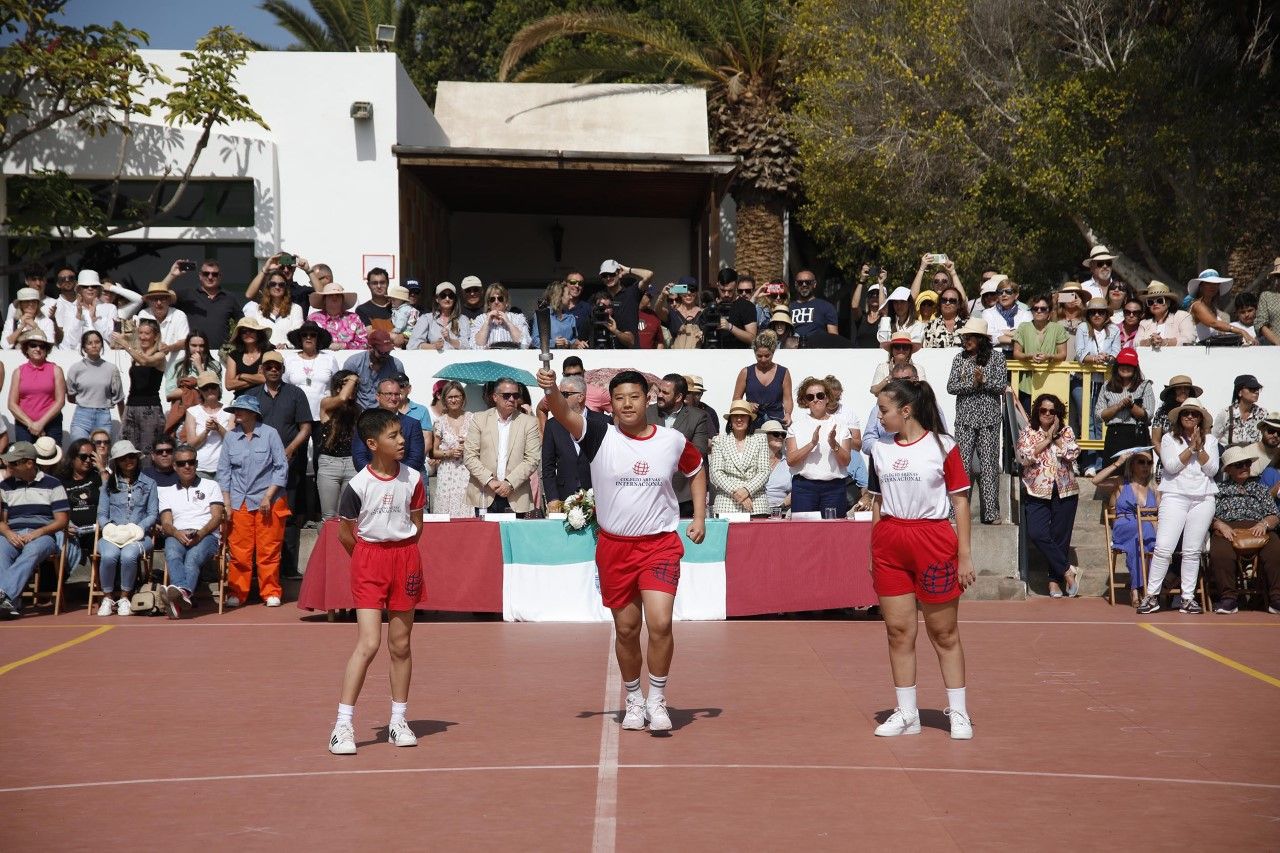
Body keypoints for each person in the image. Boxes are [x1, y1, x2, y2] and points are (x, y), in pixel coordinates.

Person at [538, 365, 706, 731]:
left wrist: (700, 517)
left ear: (649, 400)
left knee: (660, 622)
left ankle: (657, 699)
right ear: (610, 405)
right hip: (615, 548)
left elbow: (695, 469)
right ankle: (633, 697)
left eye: (634, 397)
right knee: (627, 630)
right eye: (619, 399)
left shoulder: (671, 440)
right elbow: (564, 412)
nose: (627, 404)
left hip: (659, 545)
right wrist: (552, 392)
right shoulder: (598, 434)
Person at [866, 378, 975, 740]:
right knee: (898, 632)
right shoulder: (879, 450)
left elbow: (960, 501)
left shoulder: (944, 446)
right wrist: (873, 549)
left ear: (906, 410)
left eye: (884, 410)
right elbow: (877, 503)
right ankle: (907, 713)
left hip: (933, 539)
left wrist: (964, 555)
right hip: (891, 541)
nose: (879, 417)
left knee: (943, 633)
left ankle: (959, 713)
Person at [328, 408, 426, 755]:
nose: (402, 441)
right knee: (369, 643)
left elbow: (417, 524)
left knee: (400, 645)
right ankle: (342, 725)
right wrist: (368, 562)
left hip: (406, 559)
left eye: (402, 434)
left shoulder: (413, 479)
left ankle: (399, 720)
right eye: (393, 436)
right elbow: (345, 534)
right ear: (372, 444)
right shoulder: (358, 485)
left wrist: (400, 553)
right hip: (369, 560)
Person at [1137, 396, 1220, 614]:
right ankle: (1152, 596)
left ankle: (1187, 598)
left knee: (1192, 551)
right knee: (1164, 547)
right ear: (1179, 417)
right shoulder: (1168, 439)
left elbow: (1212, 470)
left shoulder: (1210, 440)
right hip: (1175, 495)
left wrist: (1200, 448)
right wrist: (1191, 448)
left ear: (1201, 419)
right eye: (1186, 413)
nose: (1190, 416)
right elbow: (1171, 466)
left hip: (1203, 497)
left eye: (1194, 414)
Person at [217, 395, 289, 608]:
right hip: (240, 501)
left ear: (253, 413)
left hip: (270, 500)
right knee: (239, 551)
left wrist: (268, 495)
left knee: (269, 549)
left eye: (241, 409)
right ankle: (238, 592)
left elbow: (281, 467)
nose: (237, 413)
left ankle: (271, 592)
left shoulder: (270, 434)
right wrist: (227, 503)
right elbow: (224, 471)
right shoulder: (230, 437)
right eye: (236, 409)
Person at [251, 351, 315, 577]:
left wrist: (288, 450)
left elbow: (306, 428)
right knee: (259, 514)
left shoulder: (296, 394)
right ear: (262, 369)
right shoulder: (251, 396)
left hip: (289, 465)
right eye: (268, 366)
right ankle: (260, 569)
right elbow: (246, 429)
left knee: (287, 515)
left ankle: (286, 568)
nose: (273, 370)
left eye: (277, 366)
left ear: (283, 369)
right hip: (259, 467)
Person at [1017, 394, 1082, 598]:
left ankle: (1054, 582)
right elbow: (1025, 458)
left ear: (1057, 414)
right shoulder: (1028, 432)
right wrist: (1047, 439)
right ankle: (1067, 570)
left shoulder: (1066, 431)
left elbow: (1073, 453)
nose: (1047, 414)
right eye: (1043, 410)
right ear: (1037, 411)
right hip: (1036, 490)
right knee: (1037, 533)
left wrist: (1057, 438)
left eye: (1052, 411)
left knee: (1060, 538)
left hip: (1065, 489)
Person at [946, 318, 1007, 524]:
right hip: (964, 419)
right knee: (961, 465)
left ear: (981, 339)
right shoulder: (959, 359)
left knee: (989, 464)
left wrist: (985, 381)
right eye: (965, 336)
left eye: (970, 337)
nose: (966, 340)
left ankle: (991, 513)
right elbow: (951, 387)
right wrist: (974, 383)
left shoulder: (997, 359)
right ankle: (956, 512)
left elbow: (1000, 386)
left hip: (989, 419)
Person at [1207, 446, 1280, 614]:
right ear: (1229, 469)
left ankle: (1276, 599)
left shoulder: (1259, 488)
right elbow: (1208, 515)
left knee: (1275, 547)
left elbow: (1274, 515)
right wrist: (1219, 525)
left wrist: (1264, 524)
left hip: (1258, 526)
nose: (1245, 467)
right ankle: (1228, 599)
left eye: (1247, 463)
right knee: (1220, 551)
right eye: (1239, 465)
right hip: (1227, 528)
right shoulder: (1218, 489)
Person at [0, 442, 70, 617]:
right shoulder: (5, 486)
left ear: (29, 463)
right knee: (0, 550)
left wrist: (39, 532)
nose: (9, 466)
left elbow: (62, 521)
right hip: (13, 533)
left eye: (14, 463)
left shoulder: (53, 484)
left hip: (43, 535)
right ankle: (9, 602)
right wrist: (8, 533)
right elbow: (1, 522)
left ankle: (5, 595)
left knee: (32, 551)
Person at [157, 445, 225, 619]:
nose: (187, 466)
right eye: (181, 463)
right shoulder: (167, 492)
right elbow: (166, 523)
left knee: (193, 557)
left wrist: (200, 534)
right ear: (174, 466)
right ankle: (183, 594)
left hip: (206, 535)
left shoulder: (211, 485)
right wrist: (177, 533)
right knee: (172, 552)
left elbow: (217, 518)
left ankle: (179, 593)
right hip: (177, 534)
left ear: (196, 464)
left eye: (191, 462)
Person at [94, 440, 159, 616]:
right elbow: (101, 513)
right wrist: (108, 527)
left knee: (129, 555)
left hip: (139, 534)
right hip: (113, 533)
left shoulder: (149, 483)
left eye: (131, 456)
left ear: (137, 458)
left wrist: (138, 528)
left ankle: (124, 597)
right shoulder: (109, 483)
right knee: (109, 555)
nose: (128, 460)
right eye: (122, 458)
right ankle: (107, 598)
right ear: (116, 461)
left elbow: (153, 513)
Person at [1091, 447, 1158, 607]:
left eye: (1149, 462)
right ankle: (1144, 589)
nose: (1145, 466)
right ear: (1132, 465)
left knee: (1146, 536)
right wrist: (1118, 463)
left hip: (1144, 531)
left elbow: (1157, 517)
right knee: (1142, 530)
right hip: (1124, 526)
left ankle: (1136, 589)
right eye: (1141, 462)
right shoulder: (1122, 483)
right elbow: (1096, 481)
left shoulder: (1153, 489)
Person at [463, 378, 540, 516]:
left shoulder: (529, 422)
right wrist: (489, 480)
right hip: (485, 492)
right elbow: (469, 456)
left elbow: (532, 459)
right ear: (495, 397)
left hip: (516, 494)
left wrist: (509, 483)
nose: (511, 399)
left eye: (515, 395)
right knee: (486, 537)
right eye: (506, 395)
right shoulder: (479, 419)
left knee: (515, 538)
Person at [786, 377, 854, 516]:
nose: (816, 399)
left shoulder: (841, 425)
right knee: (804, 533)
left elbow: (846, 461)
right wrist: (811, 444)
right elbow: (791, 461)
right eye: (810, 397)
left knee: (833, 533)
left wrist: (834, 444)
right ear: (805, 401)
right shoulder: (796, 427)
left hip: (834, 488)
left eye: (820, 395)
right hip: (804, 487)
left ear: (828, 398)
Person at [647, 374, 711, 517]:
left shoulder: (697, 416)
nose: (660, 395)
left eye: (665, 393)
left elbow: (699, 452)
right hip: (651, 492)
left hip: (683, 494)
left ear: (678, 397)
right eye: (659, 391)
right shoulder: (647, 413)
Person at [541, 375, 600, 512]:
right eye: (560, 394)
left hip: (597, 497)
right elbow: (548, 466)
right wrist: (552, 498)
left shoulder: (602, 422)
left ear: (581, 397)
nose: (560, 398)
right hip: (563, 498)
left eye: (565, 394)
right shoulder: (552, 425)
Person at [111, 318, 166, 454]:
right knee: (125, 449)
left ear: (156, 336)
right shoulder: (136, 353)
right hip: (131, 406)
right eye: (140, 333)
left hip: (150, 408)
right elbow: (114, 344)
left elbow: (145, 361)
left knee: (148, 451)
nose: (142, 337)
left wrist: (126, 344)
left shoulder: (160, 355)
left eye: (147, 334)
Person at [164, 259, 244, 351]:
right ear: (200, 276)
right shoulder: (187, 294)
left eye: (215, 274)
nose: (210, 277)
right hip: (192, 354)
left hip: (220, 355)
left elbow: (242, 324)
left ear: (220, 276)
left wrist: (234, 345)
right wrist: (172, 275)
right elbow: (159, 296)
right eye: (206, 273)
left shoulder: (229, 298)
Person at [1093, 347, 1154, 465]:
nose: (1125, 367)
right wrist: (1118, 406)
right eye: (1122, 364)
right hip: (1114, 434)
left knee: (1138, 477)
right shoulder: (1107, 386)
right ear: (1117, 366)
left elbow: (1148, 414)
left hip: (1137, 434)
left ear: (1135, 367)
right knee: (1114, 474)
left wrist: (1131, 406)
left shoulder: (1144, 385)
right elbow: (1099, 415)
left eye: (1129, 365)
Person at [710, 400, 771, 515]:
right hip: (727, 503)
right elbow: (716, 473)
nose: (739, 419)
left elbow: (764, 471)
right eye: (735, 416)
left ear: (749, 418)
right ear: (730, 420)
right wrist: (737, 493)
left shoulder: (761, 439)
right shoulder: (719, 440)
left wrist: (747, 490)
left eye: (743, 416)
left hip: (756, 502)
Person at [58, 269, 140, 350]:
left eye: (94, 286)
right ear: (79, 290)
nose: (90, 288)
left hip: (106, 356)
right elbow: (68, 344)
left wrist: (96, 320)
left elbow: (114, 339)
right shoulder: (70, 310)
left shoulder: (110, 308)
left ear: (99, 290)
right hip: (80, 356)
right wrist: (78, 318)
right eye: (85, 286)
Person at [317, 371, 361, 521]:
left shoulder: (358, 409)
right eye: (349, 385)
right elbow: (342, 398)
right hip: (330, 464)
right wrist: (354, 378)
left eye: (355, 386)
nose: (353, 388)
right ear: (337, 387)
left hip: (352, 464)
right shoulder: (326, 403)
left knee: (348, 517)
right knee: (329, 517)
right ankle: (326, 545)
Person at [1011, 293, 1069, 408]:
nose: (1038, 311)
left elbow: (1063, 354)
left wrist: (1049, 356)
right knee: (1028, 420)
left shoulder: (1058, 328)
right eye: (1035, 308)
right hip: (1027, 383)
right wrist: (1029, 356)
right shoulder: (1023, 327)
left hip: (1051, 380)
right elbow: (1016, 353)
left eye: (1043, 309)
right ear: (1031, 311)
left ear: (1050, 311)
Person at [65, 330, 123, 442]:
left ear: (102, 345)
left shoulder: (111, 369)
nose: (94, 345)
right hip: (82, 416)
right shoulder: (75, 368)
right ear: (84, 347)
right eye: (89, 343)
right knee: (79, 450)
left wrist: (124, 422)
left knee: (101, 453)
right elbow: (71, 396)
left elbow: (119, 399)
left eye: (97, 342)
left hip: (103, 415)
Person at [9, 329, 65, 443]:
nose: (38, 349)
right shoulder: (18, 372)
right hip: (24, 426)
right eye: (33, 345)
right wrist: (31, 424)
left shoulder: (56, 370)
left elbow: (60, 401)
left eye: (42, 346)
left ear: (46, 350)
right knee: (25, 459)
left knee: (51, 459)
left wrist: (41, 423)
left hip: (51, 425)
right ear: (26, 349)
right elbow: (12, 404)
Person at [59, 438, 104, 575]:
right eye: (83, 457)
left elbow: (111, 494)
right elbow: (54, 508)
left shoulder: (97, 477)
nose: (88, 460)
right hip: (70, 531)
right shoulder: (61, 481)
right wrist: (64, 525)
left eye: (91, 457)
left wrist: (102, 469)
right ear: (72, 458)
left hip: (96, 531)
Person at [429, 380, 474, 517]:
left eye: (457, 396)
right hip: (447, 472)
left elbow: (481, 446)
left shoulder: (472, 418)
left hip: (467, 471)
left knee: (466, 510)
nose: (454, 400)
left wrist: (467, 446)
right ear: (444, 399)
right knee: (446, 512)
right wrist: (448, 453)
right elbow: (433, 452)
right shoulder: (440, 422)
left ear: (463, 398)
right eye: (450, 397)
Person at [732, 332, 792, 429]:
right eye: (759, 356)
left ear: (773, 352)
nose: (763, 359)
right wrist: (747, 405)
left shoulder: (783, 372)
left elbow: (787, 398)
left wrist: (788, 414)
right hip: (752, 421)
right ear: (754, 353)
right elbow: (736, 398)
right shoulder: (746, 372)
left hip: (776, 422)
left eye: (767, 356)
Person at [283, 321, 340, 425]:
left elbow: (337, 386)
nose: (308, 337)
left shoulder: (329, 359)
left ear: (318, 338)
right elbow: (284, 387)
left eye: (313, 335)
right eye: (304, 335)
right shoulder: (289, 360)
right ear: (300, 338)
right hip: (297, 415)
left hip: (324, 415)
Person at [184, 371, 234, 479]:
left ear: (218, 388)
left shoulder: (229, 411)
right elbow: (191, 445)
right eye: (205, 388)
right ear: (200, 391)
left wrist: (218, 428)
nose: (210, 390)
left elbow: (232, 441)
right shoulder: (192, 412)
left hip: (224, 467)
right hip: (201, 467)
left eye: (213, 386)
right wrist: (206, 431)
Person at [1188, 268, 1255, 344]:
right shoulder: (1197, 305)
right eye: (1208, 283)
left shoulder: (1212, 307)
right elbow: (1214, 323)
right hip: (1199, 351)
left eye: (1216, 284)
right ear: (1201, 287)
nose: (1213, 286)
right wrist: (1241, 331)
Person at [243, 267, 304, 349]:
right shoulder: (256, 309)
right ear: (268, 287)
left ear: (286, 288)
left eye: (281, 284)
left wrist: (286, 345)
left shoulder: (296, 309)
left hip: (288, 354)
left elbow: (298, 334)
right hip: (263, 354)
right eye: (273, 284)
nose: (277, 287)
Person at [343, 330, 404, 411]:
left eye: (388, 351)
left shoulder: (396, 365)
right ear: (370, 348)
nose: (385, 355)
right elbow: (343, 391)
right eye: (381, 352)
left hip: (384, 413)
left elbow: (402, 391)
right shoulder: (353, 363)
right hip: (357, 412)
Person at [127, 282, 190, 358]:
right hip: (149, 362)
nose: (159, 303)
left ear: (169, 300)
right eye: (154, 299)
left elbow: (185, 342)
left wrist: (169, 348)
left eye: (163, 299)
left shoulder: (179, 315)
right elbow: (139, 339)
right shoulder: (144, 313)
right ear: (149, 301)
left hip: (173, 365)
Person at [164, 331, 221, 408]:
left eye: (201, 346)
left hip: (207, 409)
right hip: (183, 411)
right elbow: (170, 394)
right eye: (194, 345)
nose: (198, 349)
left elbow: (216, 392)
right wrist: (196, 390)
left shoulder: (214, 365)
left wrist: (199, 367)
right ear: (187, 346)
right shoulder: (177, 366)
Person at [408, 281, 468, 351]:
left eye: (451, 296)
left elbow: (467, 346)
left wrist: (450, 340)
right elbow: (412, 345)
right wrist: (434, 346)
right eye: (443, 296)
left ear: (454, 299)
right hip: (433, 360)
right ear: (437, 299)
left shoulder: (463, 319)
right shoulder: (426, 318)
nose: (447, 299)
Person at [1213, 374, 1268, 449]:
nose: (1256, 392)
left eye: (1257, 389)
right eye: (1251, 388)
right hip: (1230, 458)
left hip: (1254, 458)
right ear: (1240, 392)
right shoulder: (1226, 413)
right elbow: (1213, 439)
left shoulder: (1262, 414)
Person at [308, 282, 367, 351]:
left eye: (338, 295)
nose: (334, 298)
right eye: (330, 295)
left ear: (342, 300)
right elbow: (306, 341)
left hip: (349, 359)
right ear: (324, 300)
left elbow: (364, 344)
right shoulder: (313, 319)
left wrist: (344, 346)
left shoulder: (354, 318)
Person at [469, 283, 528, 349]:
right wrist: (487, 323)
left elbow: (524, 344)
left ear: (506, 302)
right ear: (488, 304)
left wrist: (508, 322)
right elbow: (477, 346)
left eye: (500, 298)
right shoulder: (480, 319)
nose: (496, 302)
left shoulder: (518, 318)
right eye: (492, 299)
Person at [789, 270, 841, 345]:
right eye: (800, 282)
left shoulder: (826, 307)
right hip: (793, 351)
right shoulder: (789, 307)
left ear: (814, 284)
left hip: (817, 351)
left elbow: (834, 337)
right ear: (796, 285)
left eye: (808, 282)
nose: (804, 285)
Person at [1150, 375, 1202, 450]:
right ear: (1172, 392)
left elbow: (1206, 436)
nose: (1183, 391)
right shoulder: (1162, 412)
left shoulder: (1198, 410)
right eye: (1179, 388)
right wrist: (1166, 458)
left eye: (1186, 388)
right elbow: (1155, 440)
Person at [1136, 282, 1195, 347]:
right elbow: (1136, 343)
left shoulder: (1182, 316)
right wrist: (1149, 341)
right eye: (1150, 302)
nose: (1155, 304)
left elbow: (1189, 339)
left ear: (1169, 302)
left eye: (1160, 300)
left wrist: (1164, 342)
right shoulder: (1144, 323)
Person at [652, 277, 704, 349]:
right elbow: (657, 311)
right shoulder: (673, 313)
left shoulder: (703, 313)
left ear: (696, 292)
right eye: (685, 289)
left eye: (692, 290)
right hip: (677, 358)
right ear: (679, 293)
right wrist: (663, 295)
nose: (688, 293)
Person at [532, 280, 587, 349]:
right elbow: (535, 341)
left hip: (567, 357)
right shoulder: (542, 315)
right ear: (559, 296)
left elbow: (574, 341)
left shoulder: (571, 318)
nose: (571, 297)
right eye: (568, 294)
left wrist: (577, 344)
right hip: (549, 357)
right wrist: (554, 343)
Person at [870, 331, 927, 395]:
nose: (901, 350)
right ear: (892, 350)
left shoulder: (918, 368)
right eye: (897, 346)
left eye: (905, 347)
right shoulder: (883, 367)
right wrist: (890, 377)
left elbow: (924, 391)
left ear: (910, 350)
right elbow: (874, 390)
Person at [982, 279, 1031, 351]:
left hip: (1020, 355)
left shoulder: (1026, 314)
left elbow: (1028, 335)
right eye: (1000, 292)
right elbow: (990, 337)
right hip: (996, 355)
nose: (1004, 295)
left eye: (1008, 292)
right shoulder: (988, 313)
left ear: (1016, 295)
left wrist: (1002, 332)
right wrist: (1017, 338)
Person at [354, 267, 398, 342]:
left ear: (388, 283)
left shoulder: (398, 307)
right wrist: (393, 336)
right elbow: (369, 333)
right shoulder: (362, 310)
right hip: (375, 352)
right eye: (374, 283)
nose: (379, 286)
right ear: (368, 285)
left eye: (382, 282)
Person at [760, 419, 792, 515]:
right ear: (764, 436)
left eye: (783, 435)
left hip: (782, 510)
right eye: (776, 434)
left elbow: (797, 489)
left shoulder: (788, 461)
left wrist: (781, 506)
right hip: (757, 509)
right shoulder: (753, 460)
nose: (780, 437)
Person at [1258, 256, 1280, 346]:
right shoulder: (1267, 296)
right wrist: (1277, 341)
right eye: (1278, 276)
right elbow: (1260, 323)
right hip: (1274, 350)